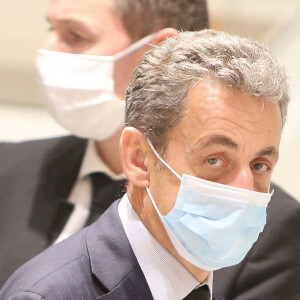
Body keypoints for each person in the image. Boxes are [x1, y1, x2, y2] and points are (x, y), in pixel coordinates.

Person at [0, 29, 291, 300]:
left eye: (259, 165)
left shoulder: (204, 281)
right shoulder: (48, 295)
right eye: (214, 160)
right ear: (139, 158)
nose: (244, 188)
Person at [0, 0, 209, 286]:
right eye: (52, 29)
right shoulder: (7, 169)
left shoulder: (244, 225)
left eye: (75, 36)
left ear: (159, 53)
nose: (48, 50)